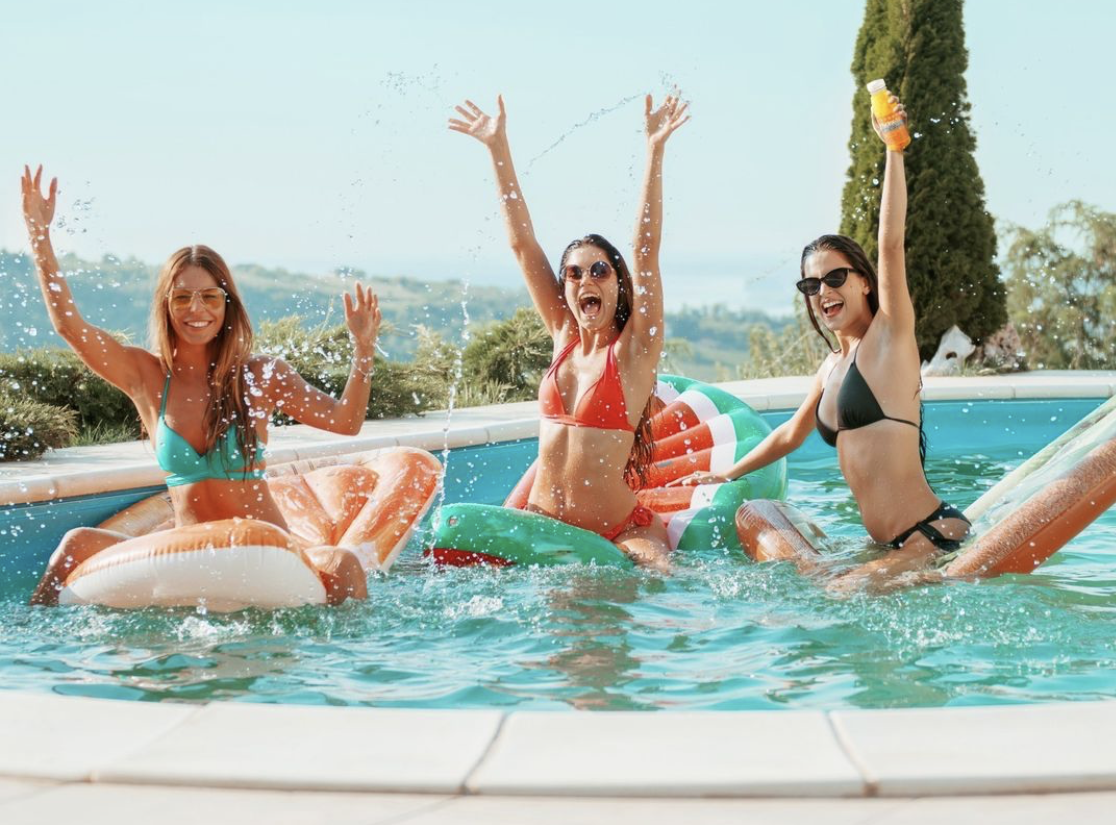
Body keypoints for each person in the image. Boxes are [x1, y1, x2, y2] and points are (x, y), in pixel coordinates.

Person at [21, 165, 381, 605]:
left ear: (227, 306)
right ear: (166, 305)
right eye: (182, 297)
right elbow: (71, 328)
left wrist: (363, 350)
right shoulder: (146, 376)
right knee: (75, 542)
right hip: (188, 555)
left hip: (267, 555)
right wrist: (40, 237)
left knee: (343, 564)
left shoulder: (260, 376)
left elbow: (346, 422)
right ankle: (32, 649)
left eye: (210, 296)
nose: (197, 309)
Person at [675, 95, 970, 584]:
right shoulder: (832, 367)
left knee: (837, 595)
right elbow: (789, 435)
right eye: (812, 286)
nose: (823, 292)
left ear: (864, 281)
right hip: (885, 544)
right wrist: (725, 475)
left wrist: (894, 149)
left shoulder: (890, 338)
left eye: (835, 279)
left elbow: (891, 244)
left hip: (930, 534)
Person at [449, 94, 688, 569]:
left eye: (599, 270)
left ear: (619, 285)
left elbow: (645, 251)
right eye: (574, 274)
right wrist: (497, 147)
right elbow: (521, 244)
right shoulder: (563, 334)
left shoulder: (635, 352)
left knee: (661, 579)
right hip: (540, 521)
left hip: (618, 530)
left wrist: (654, 150)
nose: (586, 281)